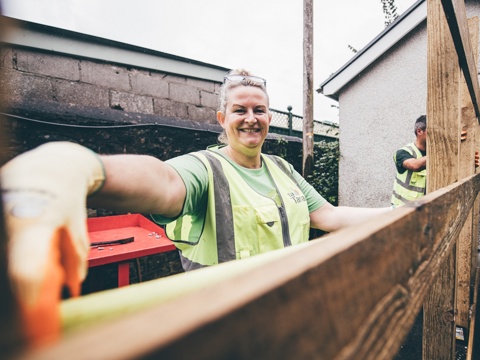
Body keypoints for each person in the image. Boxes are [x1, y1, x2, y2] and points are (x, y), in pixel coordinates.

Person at [1, 68, 392, 345]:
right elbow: (164, 181)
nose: (251, 118)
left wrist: (405, 213)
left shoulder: (282, 168)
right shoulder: (205, 168)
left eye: (259, 110)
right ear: (223, 119)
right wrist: (85, 167)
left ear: (270, 118)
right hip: (222, 330)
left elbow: (329, 216)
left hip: (285, 315)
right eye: (240, 110)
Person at [391, 115, 427, 207]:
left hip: (423, 210)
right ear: (419, 131)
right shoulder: (402, 153)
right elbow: (414, 165)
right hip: (401, 210)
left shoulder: (434, 152)